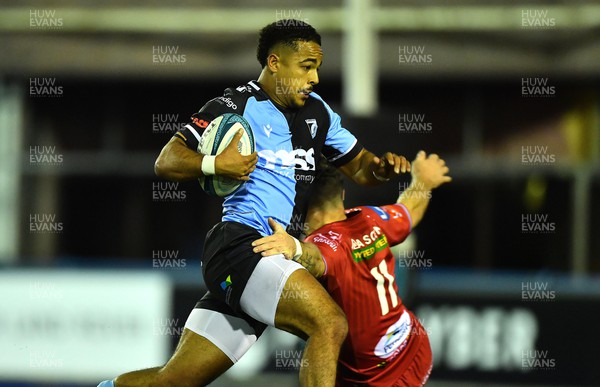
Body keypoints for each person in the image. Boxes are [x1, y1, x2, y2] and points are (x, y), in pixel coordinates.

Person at [98, 20, 410, 387]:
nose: (315, 78)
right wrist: (215, 163)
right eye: (306, 66)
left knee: (175, 381)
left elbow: (361, 169)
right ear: (275, 62)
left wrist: (382, 169)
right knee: (330, 323)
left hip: (272, 258)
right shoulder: (234, 105)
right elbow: (166, 160)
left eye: (318, 68)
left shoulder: (319, 113)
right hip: (242, 245)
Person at [252, 151, 451, 386]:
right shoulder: (372, 218)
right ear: (343, 193)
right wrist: (422, 181)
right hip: (414, 347)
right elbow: (409, 211)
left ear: (298, 200)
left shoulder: (323, 245)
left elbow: (316, 258)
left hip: (379, 379)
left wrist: (294, 248)